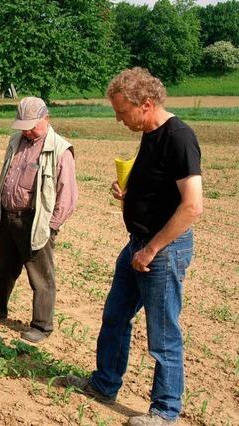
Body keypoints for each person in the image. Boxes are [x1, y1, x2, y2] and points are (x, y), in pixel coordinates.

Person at [61, 68, 203, 426]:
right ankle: (105, 384)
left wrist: (152, 250)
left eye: (123, 112)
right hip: (137, 244)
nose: (119, 118)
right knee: (114, 318)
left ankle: (166, 411)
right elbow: (159, 187)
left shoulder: (179, 137)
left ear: (147, 104)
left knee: (163, 333)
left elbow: (192, 206)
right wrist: (129, 193)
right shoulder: (151, 133)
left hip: (161, 251)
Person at [0, 97, 78, 343]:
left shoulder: (60, 149)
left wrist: (51, 226)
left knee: (41, 277)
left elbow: (68, 195)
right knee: (2, 269)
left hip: (35, 221)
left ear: (46, 118)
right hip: (7, 217)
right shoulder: (15, 141)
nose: (27, 130)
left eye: (32, 125)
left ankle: (42, 325)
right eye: (23, 125)